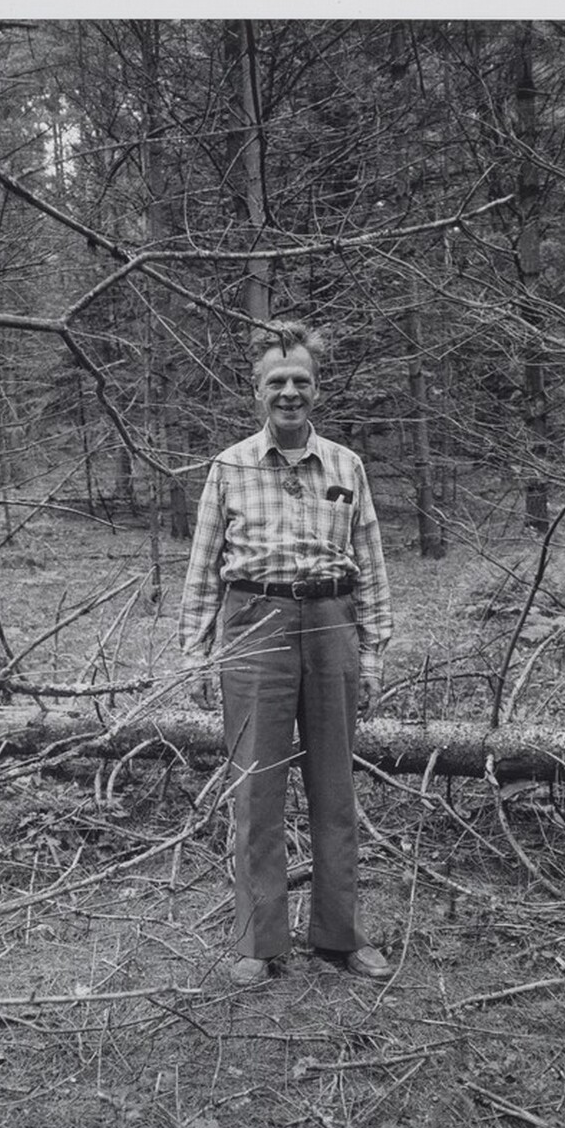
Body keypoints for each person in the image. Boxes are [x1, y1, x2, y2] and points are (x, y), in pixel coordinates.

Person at [178, 321, 392, 986]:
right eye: (277, 381)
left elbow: (372, 564)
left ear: (316, 390)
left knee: (334, 788)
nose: (289, 392)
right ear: (257, 392)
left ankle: (339, 935)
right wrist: (195, 653)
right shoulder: (229, 466)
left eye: (301, 380)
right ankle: (258, 941)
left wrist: (374, 654)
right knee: (256, 788)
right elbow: (201, 566)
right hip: (252, 624)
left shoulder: (345, 466)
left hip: (331, 623)